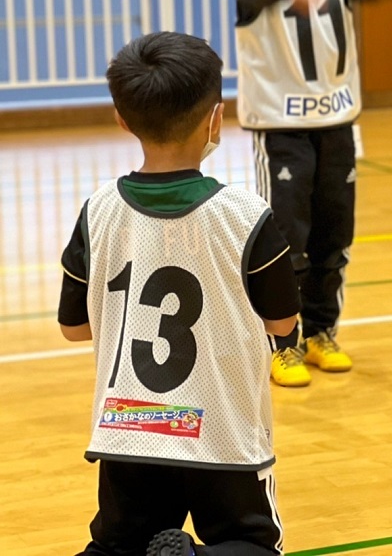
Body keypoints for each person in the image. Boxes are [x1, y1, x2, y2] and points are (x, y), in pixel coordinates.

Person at [57, 32, 301, 556]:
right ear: (216, 119)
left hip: (128, 432)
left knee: (114, 547)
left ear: (122, 119)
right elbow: (283, 324)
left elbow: (74, 328)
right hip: (223, 435)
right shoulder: (245, 215)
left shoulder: (96, 211)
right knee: (252, 546)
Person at [231, 0, 392, 387]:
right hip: (280, 125)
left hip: (337, 120)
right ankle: (283, 342)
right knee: (286, 233)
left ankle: (321, 333)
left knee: (334, 231)